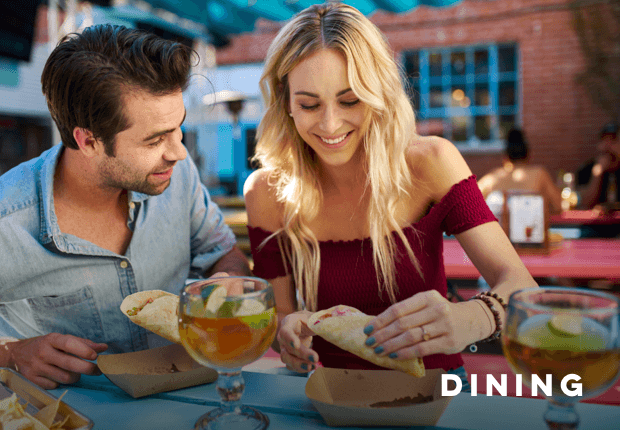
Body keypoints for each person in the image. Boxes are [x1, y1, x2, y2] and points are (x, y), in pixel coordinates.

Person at [243, 2, 537, 383]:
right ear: (286, 103)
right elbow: (280, 317)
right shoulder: (266, 192)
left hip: (436, 393)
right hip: (328, 397)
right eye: (309, 104)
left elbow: (521, 287)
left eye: (350, 100)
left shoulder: (430, 161)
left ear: (377, 91)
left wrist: (472, 318)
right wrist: (286, 333)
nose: (331, 124)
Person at [0, 25, 251, 389]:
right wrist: (11, 354)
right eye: (155, 140)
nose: (179, 151)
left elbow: (223, 251)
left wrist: (226, 281)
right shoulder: (8, 220)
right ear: (87, 141)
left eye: (177, 129)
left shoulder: (176, 175)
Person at [478, 128, 562, 215]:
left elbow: (469, 202)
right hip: (531, 228)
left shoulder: (492, 178)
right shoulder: (540, 174)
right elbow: (558, 206)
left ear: (505, 157)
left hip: (499, 228)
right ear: (528, 155)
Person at [576, 122, 620, 210]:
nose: (608, 145)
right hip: (593, 222)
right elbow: (584, 204)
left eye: (613, 140)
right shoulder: (586, 169)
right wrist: (597, 174)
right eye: (604, 140)